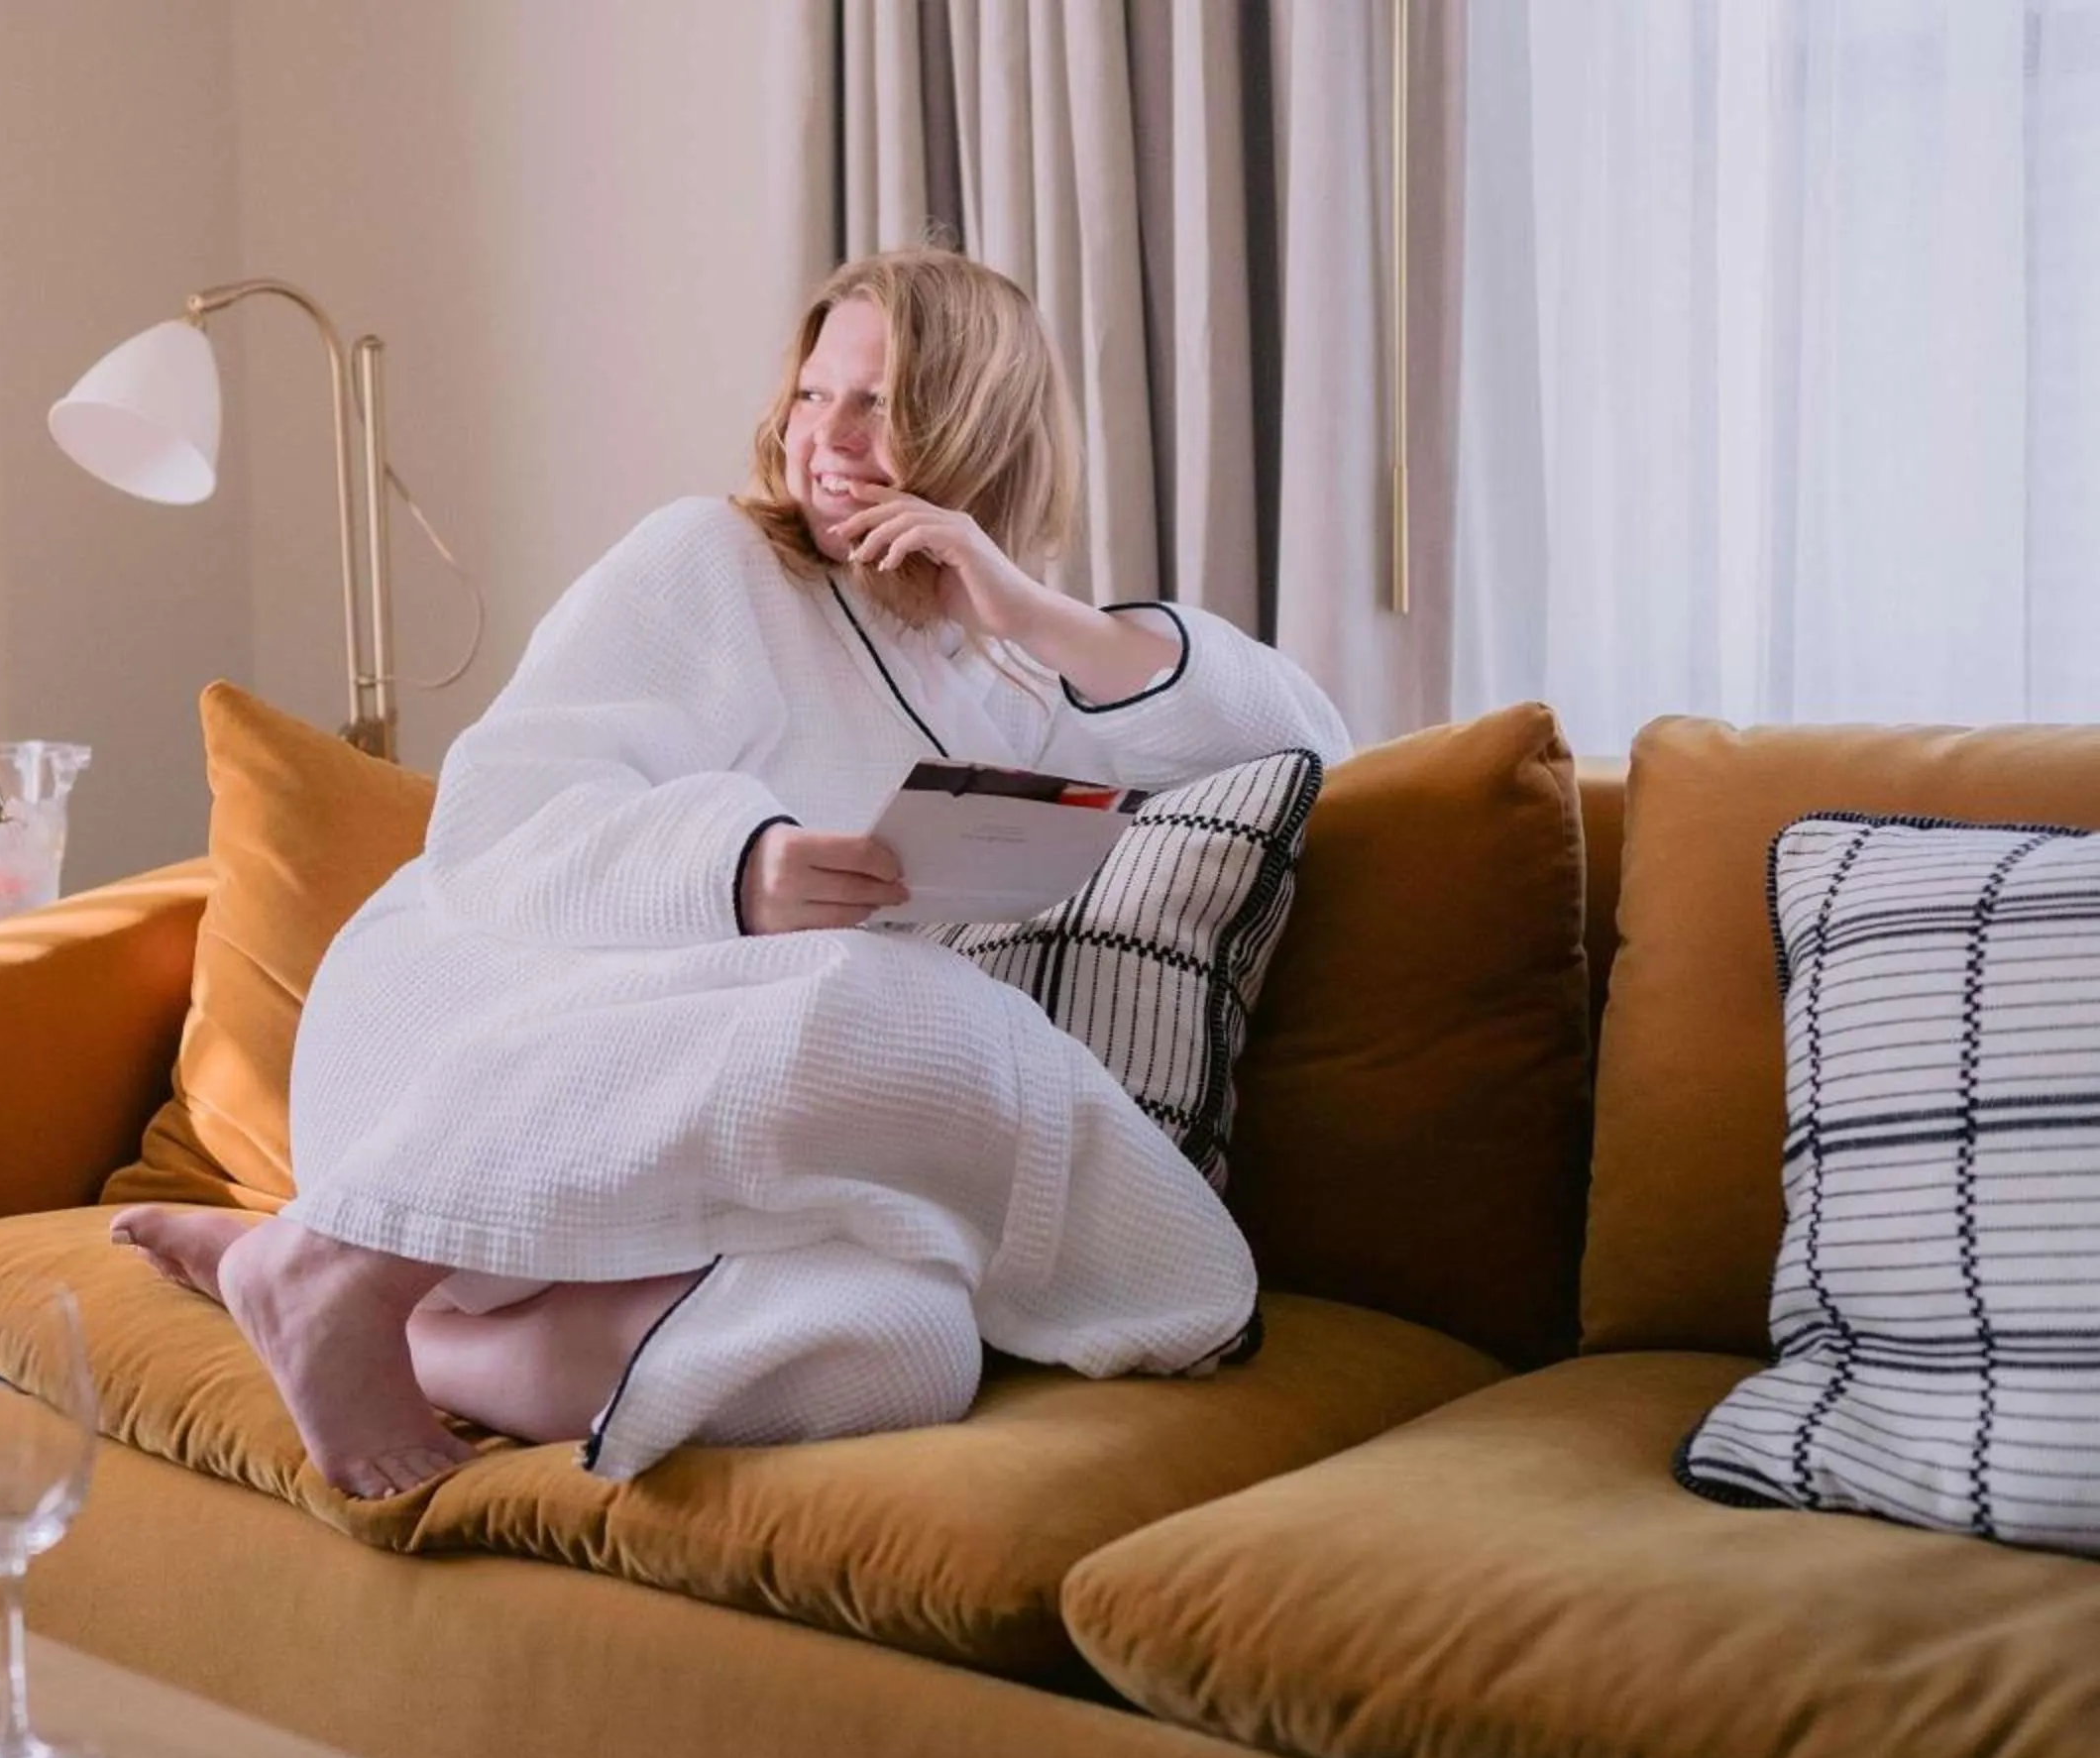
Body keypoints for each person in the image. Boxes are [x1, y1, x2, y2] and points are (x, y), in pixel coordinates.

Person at [115, 249, 1350, 1500]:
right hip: (477, 1046)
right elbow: (497, 819)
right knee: (891, 1006)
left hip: (734, 1131)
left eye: (878, 403)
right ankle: (348, 1255)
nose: (829, 438)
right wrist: (739, 871)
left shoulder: (1027, 680)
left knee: (898, 1349)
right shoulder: (711, 561)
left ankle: (368, 1314)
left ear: (981, 423)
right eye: (815, 396)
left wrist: (1032, 614)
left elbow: (1311, 751)